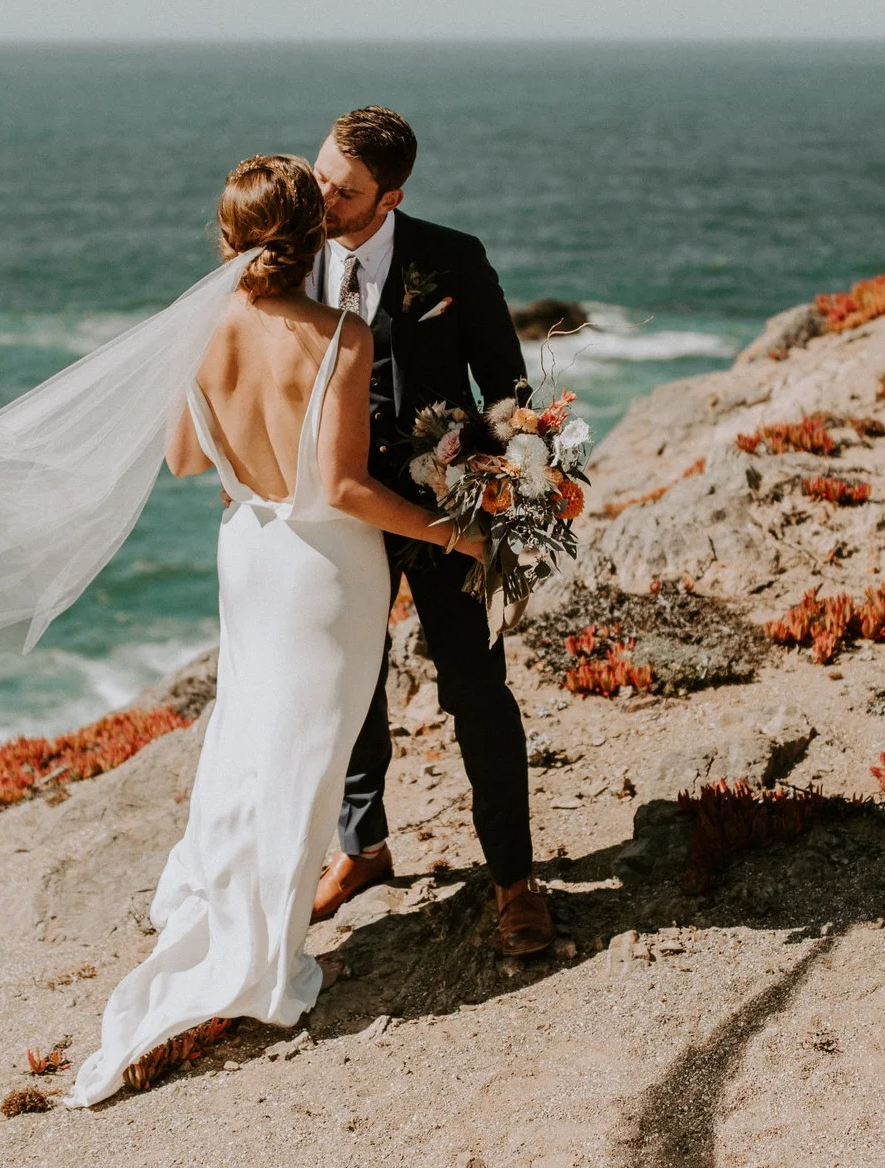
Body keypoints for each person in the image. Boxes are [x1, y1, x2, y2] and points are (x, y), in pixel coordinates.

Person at [65, 154, 483, 1106]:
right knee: (304, 755)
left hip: (246, 551)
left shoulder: (204, 330)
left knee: (248, 739)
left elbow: (182, 458)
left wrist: (243, 446)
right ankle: (262, 960)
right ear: (314, 237)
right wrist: (461, 532)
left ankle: (233, 909)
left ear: (228, 240)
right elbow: (339, 487)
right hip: (319, 566)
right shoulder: (341, 334)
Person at [302, 107, 553, 958]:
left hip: (445, 516)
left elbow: (506, 385)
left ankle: (515, 880)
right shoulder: (286, 253)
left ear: (391, 195)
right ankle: (362, 848)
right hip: (340, 511)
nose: (321, 198)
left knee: (476, 692)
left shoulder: (452, 257)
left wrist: (484, 459)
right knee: (349, 682)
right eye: (319, 175)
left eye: (343, 192)